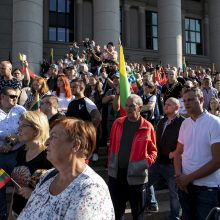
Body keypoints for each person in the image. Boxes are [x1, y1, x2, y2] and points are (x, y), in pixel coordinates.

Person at [17, 118, 115, 220]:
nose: (46, 142)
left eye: (53, 137)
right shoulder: (47, 176)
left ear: (76, 145)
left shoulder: (91, 189)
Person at [108, 94, 157, 220]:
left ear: (140, 108)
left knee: (138, 214)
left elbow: (153, 151)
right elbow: (112, 146)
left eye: (132, 106)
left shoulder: (147, 127)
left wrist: (144, 164)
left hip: (137, 179)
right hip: (117, 176)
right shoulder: (117, 123)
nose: (128, 108)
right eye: (127, 106)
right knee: (116, 213)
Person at [173, 87, 220, 220]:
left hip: (207, 188)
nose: (186, 103)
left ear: (201, 100)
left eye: (190, 100)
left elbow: (217, 160)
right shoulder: (184, 124)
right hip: (185, 187)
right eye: (185, 100)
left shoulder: (215, 123)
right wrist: (179, 177)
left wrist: (188, 178)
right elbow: (178, 153)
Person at [147, 97, 184, 219]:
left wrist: (175, 153)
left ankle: (175, 217)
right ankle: (152, 203)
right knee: (145, 182)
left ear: (177, 108)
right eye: (165, 104)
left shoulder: (183, 123)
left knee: (174, 194)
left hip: (173, 164)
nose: (165, 106)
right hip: (158, 161)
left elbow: (187, 142)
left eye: (169, 104)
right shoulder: (162, 121)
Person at [11, 111, 52, 217]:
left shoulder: (49, 156)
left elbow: (58, 191)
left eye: (23, 126)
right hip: (17, 212)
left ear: (37, 130)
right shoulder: (21, 152)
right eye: (19, 125)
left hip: (37, 215)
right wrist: (10, 214)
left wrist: (34, 194)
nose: (18, 129)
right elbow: (16, 189)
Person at [0, 87, 26, 220]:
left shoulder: (21, 110)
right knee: (0, 187)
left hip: (17, 155)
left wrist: (10, 143)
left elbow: (27, 127)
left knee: (19, 186)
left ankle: (18, 214)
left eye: (16, 96)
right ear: (2, 97)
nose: (15, 98)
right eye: (11, 96)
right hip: (0, 158)